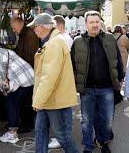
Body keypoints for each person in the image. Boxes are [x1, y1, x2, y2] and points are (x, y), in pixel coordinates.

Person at [71, 11, 123, 153]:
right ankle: (88, 146)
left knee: (107, 121)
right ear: (86, 24)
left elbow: (117, 60)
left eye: (97, 22)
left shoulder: (109, 38)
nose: (95, 25)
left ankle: (102, 141)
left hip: (107, 88)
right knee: (86, 121)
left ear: (100, 22)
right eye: (91, 22)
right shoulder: (77, 41)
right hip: (87, 89)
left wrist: (120, 78)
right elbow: (72, 64)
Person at [27, 13, 78, 153]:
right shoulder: (52, 41)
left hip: (54, 99)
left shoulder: (54, 43)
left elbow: (49, 77)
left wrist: (38, 101)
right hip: (49, 98)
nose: (34, 30)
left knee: (61, 136)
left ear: (42, 27)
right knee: (41, 133)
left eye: (35, 27)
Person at [10, 17, 38, 133]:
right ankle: (27, 123)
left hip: (27, 73)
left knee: (26, 100)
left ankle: (28, 124)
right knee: (25, 100)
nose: (13, 30)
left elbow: (30, 55)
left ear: (19, 24)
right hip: (26, 72)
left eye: (13, 27)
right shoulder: (24, 34)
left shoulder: (29, 35)